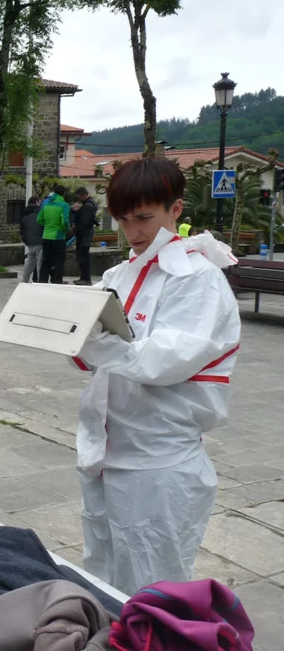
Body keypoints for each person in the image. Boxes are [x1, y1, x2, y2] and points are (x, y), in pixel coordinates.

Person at [70, 156, 240, 596]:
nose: (133, 231)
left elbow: (162, 362)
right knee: (102, 576)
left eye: (143, 218)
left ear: (175, 209)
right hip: (105, 451)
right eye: (123, 219)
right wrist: (67, 331)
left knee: (151, 588)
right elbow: (97, 358)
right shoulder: (120, 273)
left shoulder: (198, 280)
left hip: (157, 462)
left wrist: (92, 342)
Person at [37, 185, 70, 284]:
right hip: (58, 236)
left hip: (46, 235)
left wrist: (47, 226)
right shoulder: (64, 205)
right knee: (59, 261)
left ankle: (42, 280)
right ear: (64, 194)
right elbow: (64, 221)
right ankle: (57, 281)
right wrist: (65, 229)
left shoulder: (46, 204)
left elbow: (39, 219)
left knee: (45, 260)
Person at [72, 187, 99, 285]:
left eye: (79, 197)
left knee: (83, 256)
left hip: (84, 235)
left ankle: (85, 278)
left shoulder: (87, 206)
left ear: (82, 195)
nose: (78, 199)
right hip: (87, 234)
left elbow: (84, 222)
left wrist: (75, 229)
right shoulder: (91, 204)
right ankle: (84, 277)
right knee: (84, 256)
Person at [19, 196, 44, 283]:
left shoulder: (25, 216)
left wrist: (27, 241)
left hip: (30, 242)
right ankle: (41, 281)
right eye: (39, 202)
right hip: (40, 241)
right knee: (40, 263)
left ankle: (24, 280)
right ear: (36, 202)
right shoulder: (40, 214)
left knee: (29, 261)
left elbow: (22, 231)